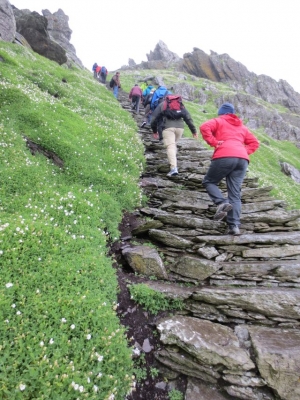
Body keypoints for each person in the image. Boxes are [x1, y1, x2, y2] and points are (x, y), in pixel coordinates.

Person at [199, 102, 260, 235]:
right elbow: (255, 142)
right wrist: (243, 151)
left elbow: (204, 127)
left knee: (209, 181)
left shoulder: (219, 120)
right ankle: (234, 227)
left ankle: (221, 202)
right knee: (235, 194)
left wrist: (214, 143)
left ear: (221, 112)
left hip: (224, 155)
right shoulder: (242, 127)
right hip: (242, 160)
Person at [151, 96, 198, 177]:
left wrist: (154, 131)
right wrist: (194, 131)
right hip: (180, 128)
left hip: (168, 128)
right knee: (173, 145)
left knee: (170, 147)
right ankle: (173, 162)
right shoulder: (180, 105)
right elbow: (188, 118)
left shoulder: (163, 104)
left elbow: (154, 119)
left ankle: (173, 168)